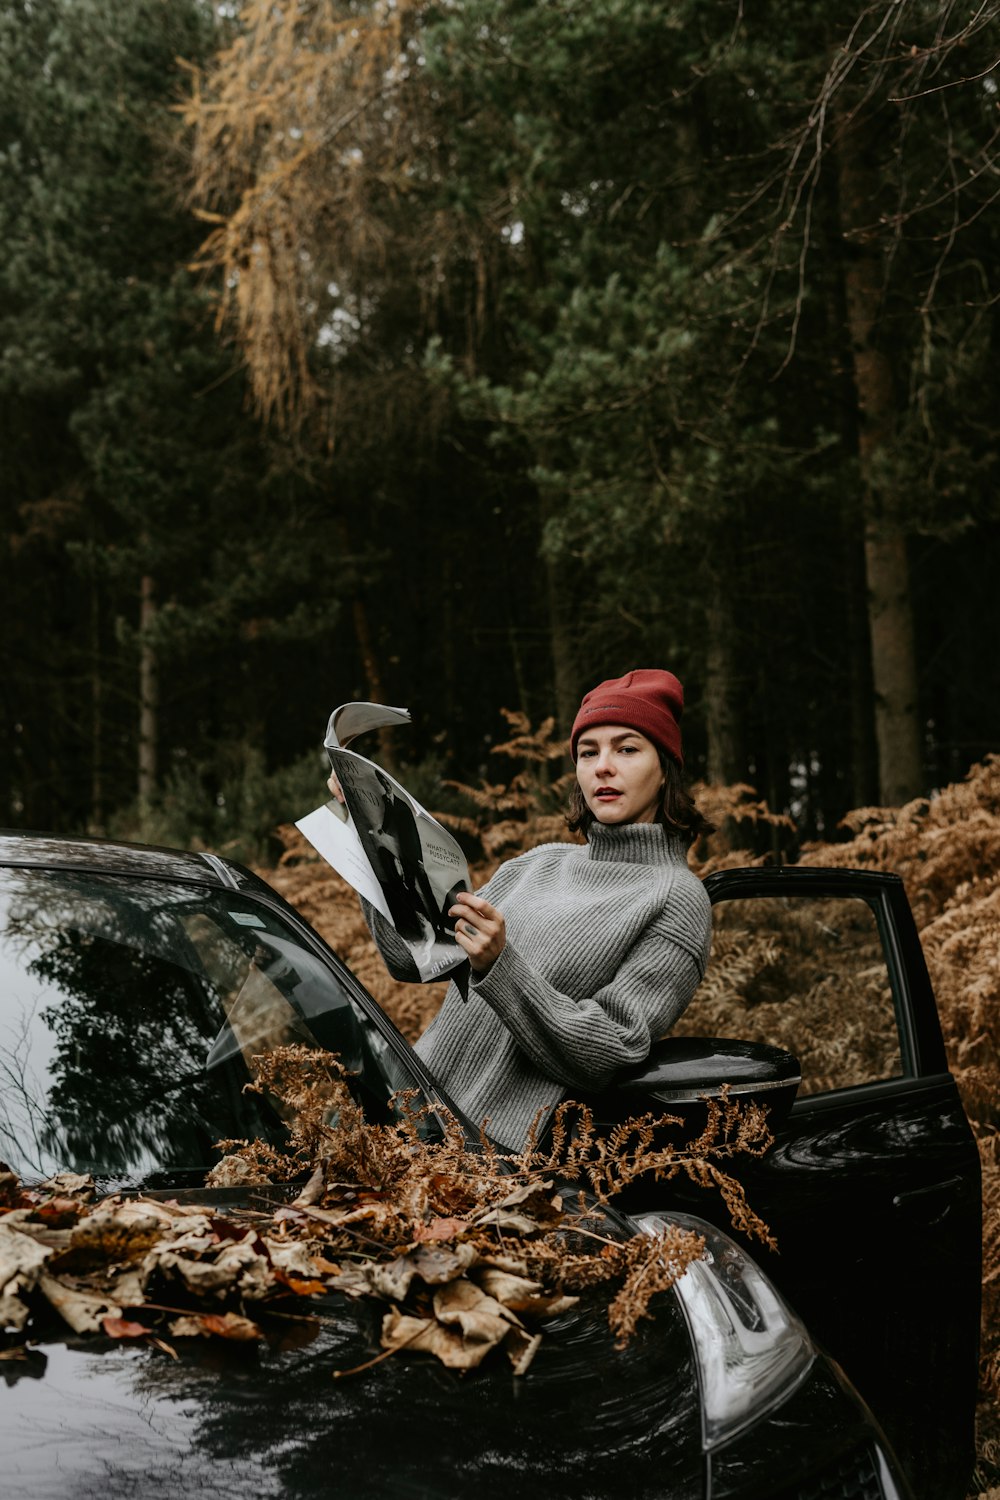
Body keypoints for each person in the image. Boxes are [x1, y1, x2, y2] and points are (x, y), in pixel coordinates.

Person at [336, 669, 713, 1152]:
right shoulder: (538, 863)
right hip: (402, 1120)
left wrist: (500, 964)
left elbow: (613, 1049)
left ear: (666, 768)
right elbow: (413, 958)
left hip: (489, 1161)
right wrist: (367, 839)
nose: (602, 767)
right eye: (587, 752)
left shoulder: (676, 899)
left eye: (627, 749)